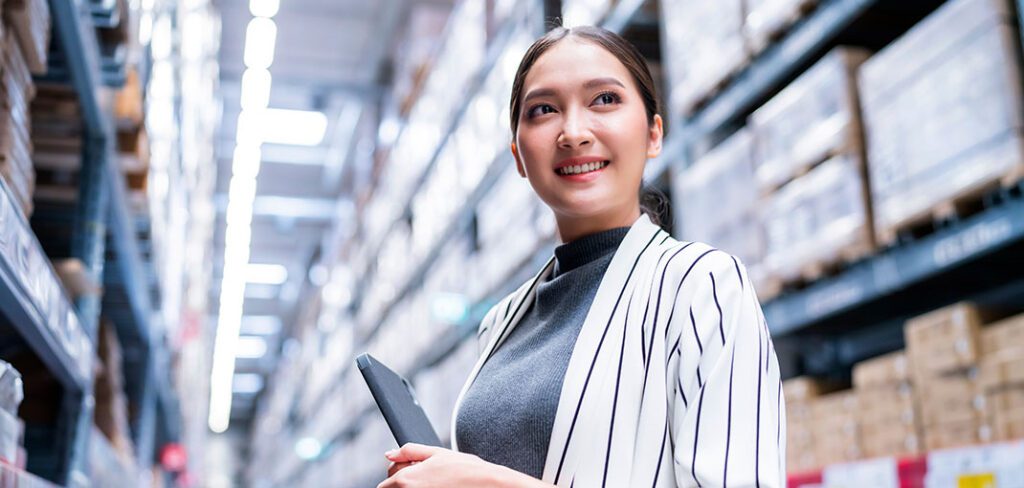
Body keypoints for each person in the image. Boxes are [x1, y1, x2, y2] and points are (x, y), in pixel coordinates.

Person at [378, 25, 785, 488]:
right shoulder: (502, 322)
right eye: (543, 110)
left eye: (604, 100)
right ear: (518, 156)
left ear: (653, 134)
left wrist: (486, 483)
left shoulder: (702, 285)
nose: (573, 133)